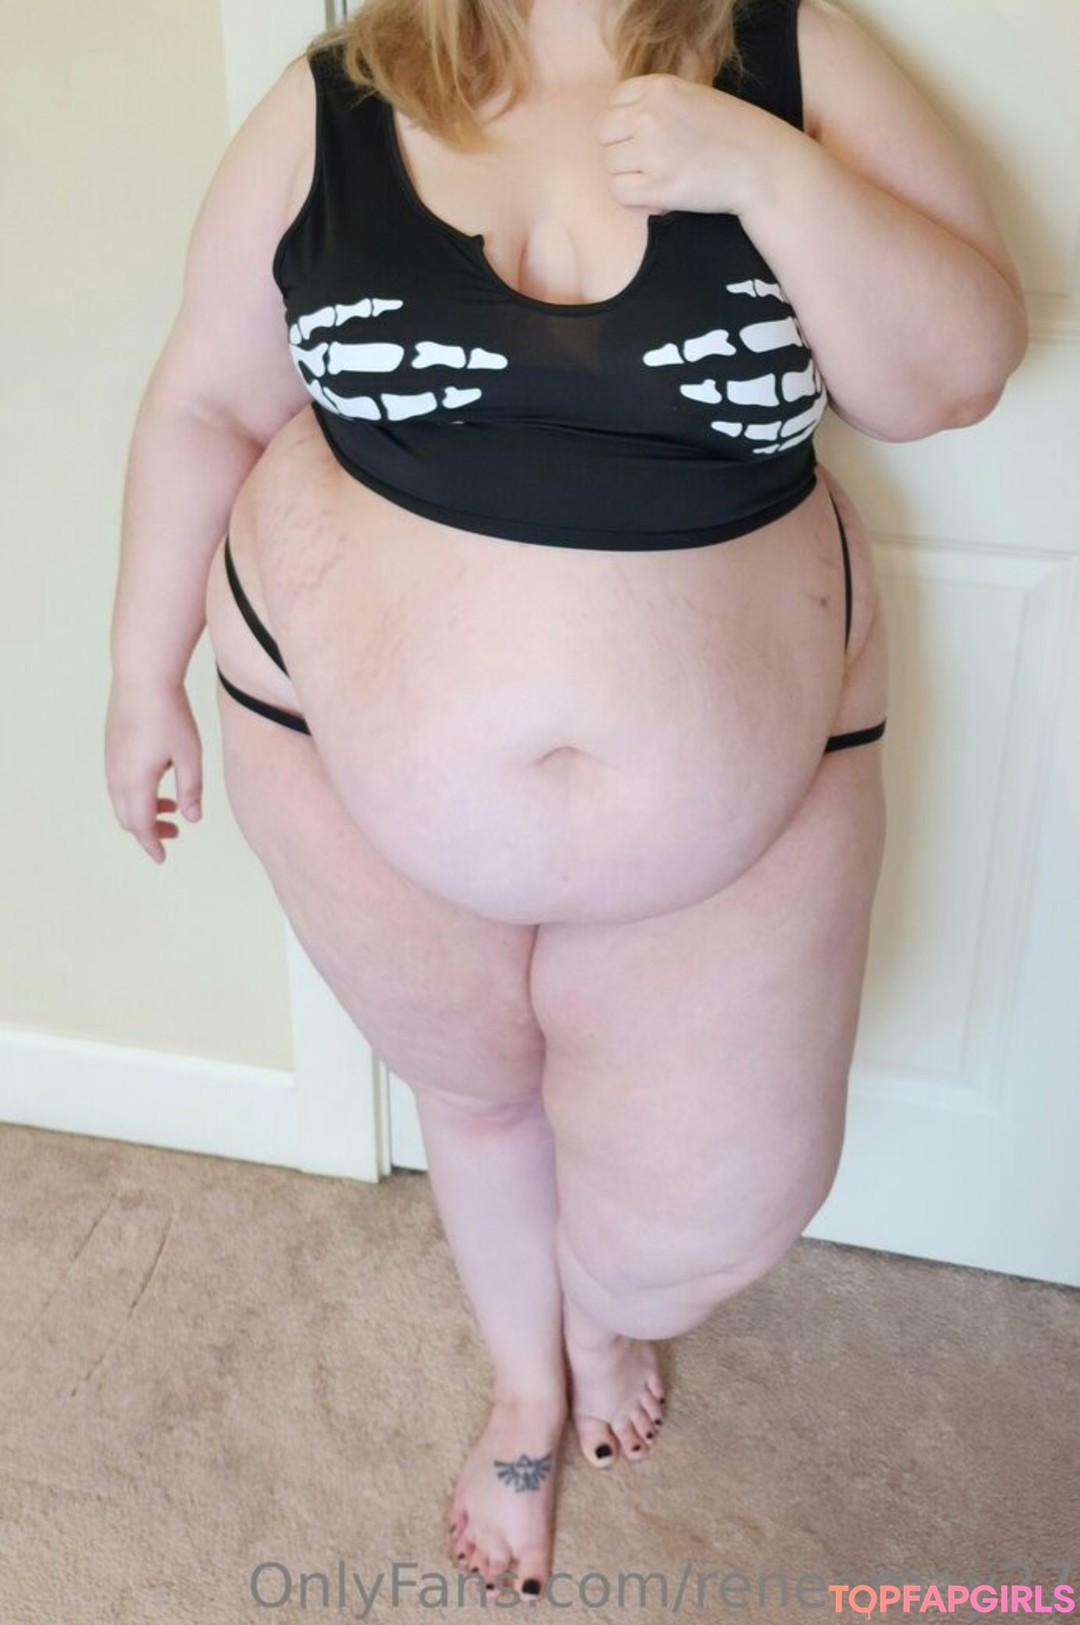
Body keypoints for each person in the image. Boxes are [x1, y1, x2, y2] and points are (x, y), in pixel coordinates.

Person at [105, 0, 1027, 1600]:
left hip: (742, 806)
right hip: (339, 752)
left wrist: (769, 175)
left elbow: (954, 375)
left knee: (709, 1210)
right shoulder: (338, 95)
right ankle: (528, 1392)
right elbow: (205, 400)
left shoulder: (784, 54)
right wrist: (141, 675)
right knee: (471, 1092)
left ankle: (608, 1315)